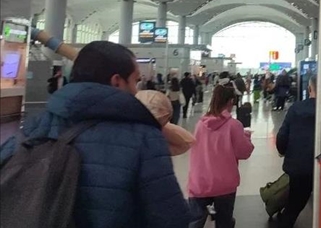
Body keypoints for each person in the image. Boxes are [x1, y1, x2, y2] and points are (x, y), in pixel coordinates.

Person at [0, 41, 189, 228]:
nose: (135, 89)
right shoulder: (144, 137)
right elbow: (170, 217)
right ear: (117, 81)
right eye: (135, 80)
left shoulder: (33, 126)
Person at [276, 74, 321, 228]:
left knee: (295, 202)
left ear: (309, 88)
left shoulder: (295, 108)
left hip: (298, 165)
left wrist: (283, 151)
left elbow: (282, 136)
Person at [187, 84, 255, 228]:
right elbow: (244, 152)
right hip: (224, 183)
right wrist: (247, 137)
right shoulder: (234, 125)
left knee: (194, 222)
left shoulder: (200, 124)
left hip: (200, 181)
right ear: (230, 101)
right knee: (224, 221)